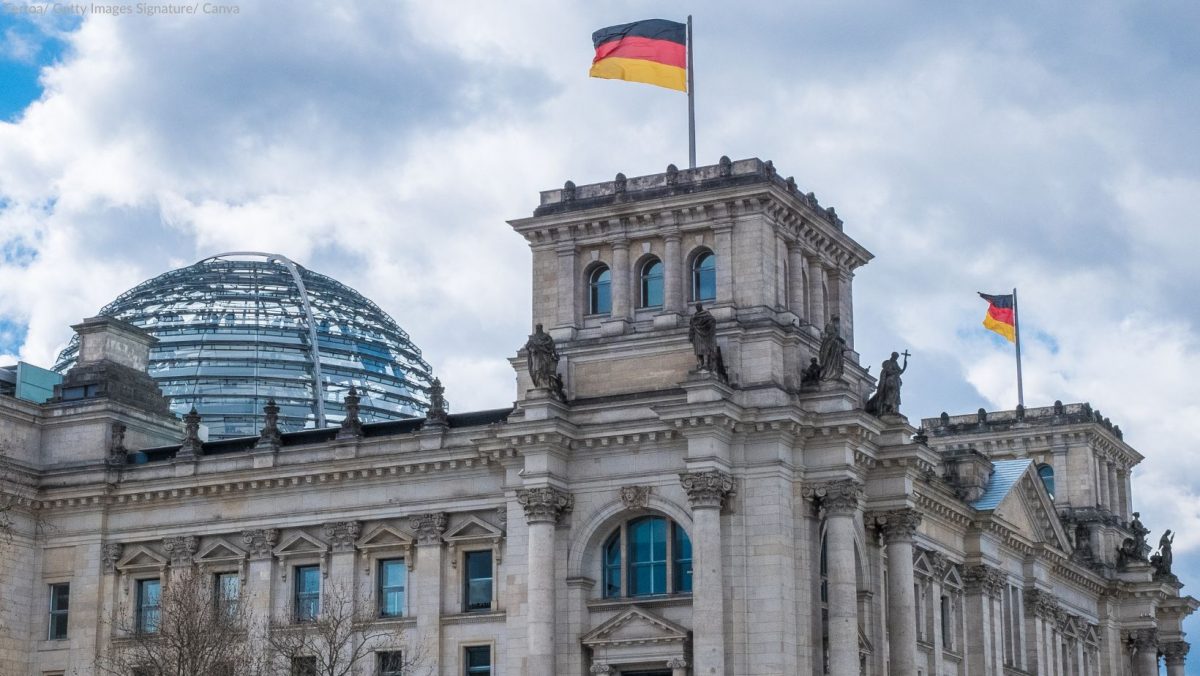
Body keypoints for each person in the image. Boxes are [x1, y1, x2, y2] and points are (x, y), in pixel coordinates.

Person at [866, 351, 908, 416]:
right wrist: (895, 372)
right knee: (890, 389)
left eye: (896, 357)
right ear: (892, 356)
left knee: (895, 392)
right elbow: (887, 371)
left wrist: (905, 367)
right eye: (895, 356)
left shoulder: (895, 363)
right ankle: (886, 405)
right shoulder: (887, 362)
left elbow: (900, 372)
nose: (895, 358)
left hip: (895, 380)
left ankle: (892, 407)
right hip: (888, 379)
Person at [524, 324, 559, 388]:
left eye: (539, 328)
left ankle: (544, 384)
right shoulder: (533, 338)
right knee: (535, 370)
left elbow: (551, 345)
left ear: (541, 328)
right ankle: (539, 384)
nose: (538, 329)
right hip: (535, 357)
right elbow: (527, 346)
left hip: (544, 356)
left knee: (544, 369)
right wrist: (532, 349)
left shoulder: (546, 337)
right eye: (537, 328)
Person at [688, 303, 718, 371]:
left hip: (706, 335)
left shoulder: (706, 314)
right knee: (698, 351)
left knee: (705, 350)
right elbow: (691, 327)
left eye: (698, 306)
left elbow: (713, 321)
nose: (697, 307)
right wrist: (690, 335)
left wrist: (707, 325)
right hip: (697, 335)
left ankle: (706, 364)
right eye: (696, 306)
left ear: (701, 306)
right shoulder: (694, 316)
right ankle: (700, 364)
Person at [818, 316, 845, 381]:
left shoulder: (835, 340)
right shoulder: (830, 329)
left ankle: (832, 373)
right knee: (830, 361)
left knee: (835, 361)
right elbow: (832, 335)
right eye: (836, 322)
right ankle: (829, 374)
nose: (837, 325)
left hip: (835, 351)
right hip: (831, 349)